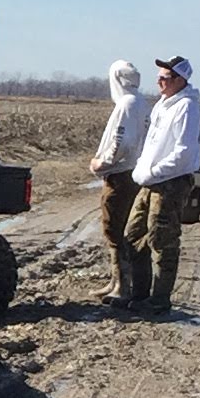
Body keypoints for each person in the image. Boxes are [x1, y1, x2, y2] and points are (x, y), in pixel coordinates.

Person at [125, 54, 200, 315]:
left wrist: (155, 172)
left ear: (180, 80)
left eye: (165, 77)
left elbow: (183, 152)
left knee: (163, 240)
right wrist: (143, 171)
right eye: (158, 76)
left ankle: (159, 300)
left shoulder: (187, 108)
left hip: (171, 182)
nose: (159, 81)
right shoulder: (163, 104)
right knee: (134, 235)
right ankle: (139, 294)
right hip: (150, 181)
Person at [89, 57, 147, 305]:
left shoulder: (127, 104)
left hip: (122, 175)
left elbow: (121, 141)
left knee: (115, 228)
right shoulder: (143, 103)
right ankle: (116, 282)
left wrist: (103, 163)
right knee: (120, 228)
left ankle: (122, 286)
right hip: (133, 173)